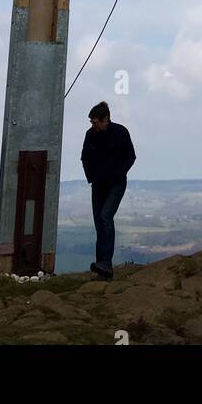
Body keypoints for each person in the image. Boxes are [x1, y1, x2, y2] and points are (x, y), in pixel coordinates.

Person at [81, 101, 135, 279]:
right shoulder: (90, 135)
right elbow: (85, 157)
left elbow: (130, 156)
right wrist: (92, 177)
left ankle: (105, 263)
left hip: (116, 184)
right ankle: (102, 266)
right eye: (92, 122)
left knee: (105, 217)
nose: (93, 125)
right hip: (98, 185)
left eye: (96, 122)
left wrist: (118, 174)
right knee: (99, 222)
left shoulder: (120, 132)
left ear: (106, 119)